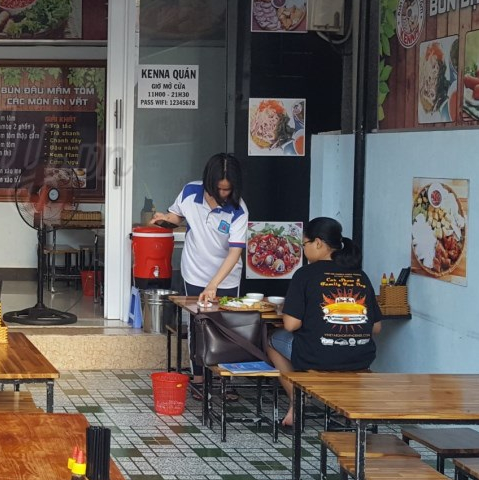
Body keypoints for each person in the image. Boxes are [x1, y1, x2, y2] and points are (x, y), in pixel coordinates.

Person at [266, 217, 382, 427]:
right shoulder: (360, 275)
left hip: (317, 356)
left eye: (304, 244)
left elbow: (291, 325)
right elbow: (376, 327)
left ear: (318, 243)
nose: (304, 250)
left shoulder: (305, 274)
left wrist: (287, 310)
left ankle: (297, 398)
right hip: (360, 358)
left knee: (272, 340)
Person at [149, 153, 248, 302]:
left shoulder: (239, 210)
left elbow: (235, 252)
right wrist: (165, 219)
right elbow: (177, 216)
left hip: (226, 280)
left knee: (225, 316)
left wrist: (213, 284)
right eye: (218, 188)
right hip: (194, 274)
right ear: (208, 181)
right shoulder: (190, 192)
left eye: (227, 189)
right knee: (195, 316)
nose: (222, 194)